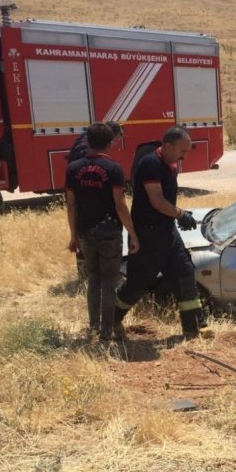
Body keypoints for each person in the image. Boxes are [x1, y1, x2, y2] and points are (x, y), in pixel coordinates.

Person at [114, 125, 206, 340]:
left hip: (167, 232)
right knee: (138, 282)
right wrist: (180, 214)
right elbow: (157, 201)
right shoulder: (150, 164)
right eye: (182, 151)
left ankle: (193, 329)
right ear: (167, 145)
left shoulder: (170, 163)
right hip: (148, 234)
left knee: (184, 272)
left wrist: (176, 217)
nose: (183, 157)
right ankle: (111, 320)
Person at [65, 123, 140, 342]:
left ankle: (93, 327)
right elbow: (120, 205)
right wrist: (132, 233)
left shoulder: (72, 169)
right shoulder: (114, 169)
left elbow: (71, 206)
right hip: (109, 232)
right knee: (109, 281)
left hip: (85, 233)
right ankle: (107, 331)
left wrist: (73, 236)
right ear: (111, 143)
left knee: (93, 279)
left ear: (87, 141)